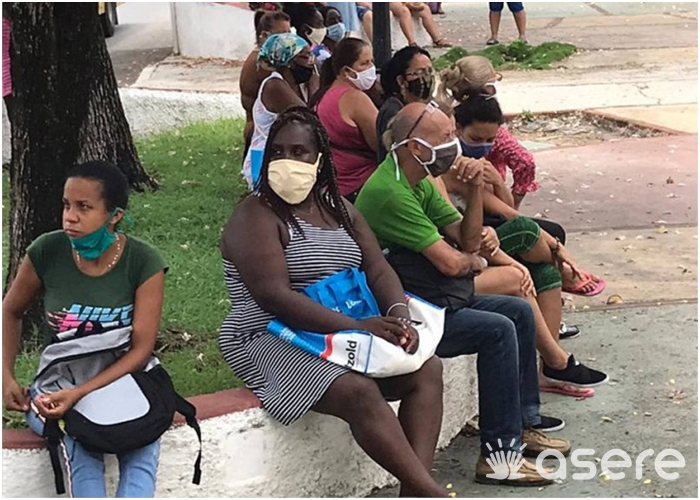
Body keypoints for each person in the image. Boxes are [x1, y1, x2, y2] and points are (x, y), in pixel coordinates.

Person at [220, 106, 447, 497]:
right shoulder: (255, 214)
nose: (286, 161)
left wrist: (399, 317)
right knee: (357, 391)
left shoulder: (338, 209)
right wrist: (356, 327)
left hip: (342, 329)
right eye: (278, 152)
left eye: (299, 152)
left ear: (319, 159)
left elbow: (377, 269)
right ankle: (430, 493)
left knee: (427, 370)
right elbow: (273, 296)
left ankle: (416, 490)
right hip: (270, 333)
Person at [355, 102, 571, 485]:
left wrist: (474, 189)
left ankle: (523, 425)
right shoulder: (390, 191)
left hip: (433, 299)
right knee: (497, 330)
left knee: (518, 312)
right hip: (408, 314)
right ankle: (498, 458)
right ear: (416, 147)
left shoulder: (419, 179)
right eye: (444, 138)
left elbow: (466, 239)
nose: (453, 145)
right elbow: (452, 263)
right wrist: (477, 260)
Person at [2, 161, 167, 497]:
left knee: (142, 448)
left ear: (115, 216)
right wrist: (6, 376)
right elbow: (10, 311)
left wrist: (83, 393)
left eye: (84, 207)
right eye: (66, 205)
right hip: (59, 386)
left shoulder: (142, 261)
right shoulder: (47, 251)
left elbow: (141, 350)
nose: (70, 217)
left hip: (124, 382)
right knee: (80, 447)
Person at [438, 55, 607, 298]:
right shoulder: (457, 166)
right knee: (528, 234)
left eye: (490, 140)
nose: (485, 146)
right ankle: (566, 273)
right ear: (456, 130)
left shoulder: (481, 156)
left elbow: (506, 208)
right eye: (477, 139)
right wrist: (554, 249)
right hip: (468, 237)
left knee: (545, 259)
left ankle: (557, 278)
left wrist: (497, 181)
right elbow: (489, 224)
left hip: (486, 223)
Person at [242, 32, 315, 189]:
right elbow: (310, 118)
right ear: (288, 61)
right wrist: (315, 81)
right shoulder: (275, 86)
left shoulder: (299, 85)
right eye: (304, 57)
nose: (311, 62)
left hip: (286, 156)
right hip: (266, 158)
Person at [312, 38, 378, 202]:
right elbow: (380, 144)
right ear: (346, 71)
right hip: (360, 185)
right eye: (364, 64)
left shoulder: (322, 96)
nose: (371, 68)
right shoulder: (355, 98)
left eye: (371, 62)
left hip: (334, 187)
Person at [241, 10, 292, 157]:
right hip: (260, 136)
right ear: (264, 35)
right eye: (282, 35)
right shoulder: (261, 64)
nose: (287, 40)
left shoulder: (266, 59)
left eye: (289, 34)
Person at [376, 45, 435, 162]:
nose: (427, 77)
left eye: (429, 71)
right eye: (419, 72)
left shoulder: (428, 102)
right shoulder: (393, 110)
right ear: (401, 80)